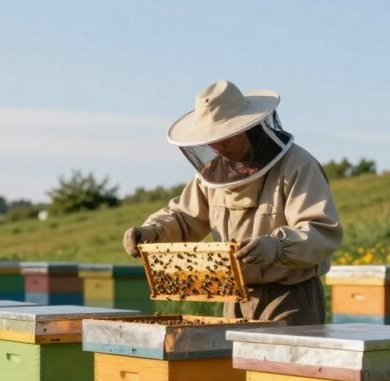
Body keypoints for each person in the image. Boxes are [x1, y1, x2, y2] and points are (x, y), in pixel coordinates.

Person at [122, 80, 343, 325]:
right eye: (211, 139)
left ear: (247, 127)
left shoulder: (297, 167)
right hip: (235, 298)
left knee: (280, 365)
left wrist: (277, 246)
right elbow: (184, 219)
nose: (218, 146)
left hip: (290, 297)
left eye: (225, 135)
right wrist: (152, 232)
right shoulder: (211, 175)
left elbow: (321, 231)